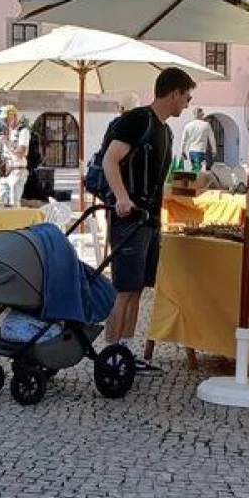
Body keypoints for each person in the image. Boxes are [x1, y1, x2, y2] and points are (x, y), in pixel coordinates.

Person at [101, 65, 196, 364]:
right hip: (129, 217)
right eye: (187, 97)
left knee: (138, 287)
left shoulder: (165, 131)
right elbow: (109, 160)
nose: (188, 103)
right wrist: (122, 198)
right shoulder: (137, 120)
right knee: (124, 288)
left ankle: (127, 351)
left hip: (150, 221)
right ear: (174, 93)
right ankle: (110, 355)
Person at [0, 106, 30, 208]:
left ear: (14, 117)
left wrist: (6, 142)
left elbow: (20, 153)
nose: (5, 121)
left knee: (13, 204)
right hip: (5, 172)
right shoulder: (6, 132)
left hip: (17, 171)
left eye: (7, 119)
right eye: (3, 119)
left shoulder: (23, 131)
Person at [179, 108, 216, 173]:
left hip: (191, 151)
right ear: (200, 114)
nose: (204, 114)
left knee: (195, 170)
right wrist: (214, 150)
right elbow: (212, 138)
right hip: (201, 151)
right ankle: (196, 182)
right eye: (202, 113)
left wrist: (182, 151)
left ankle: (194, 182)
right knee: (199, 172)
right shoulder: (206, 125)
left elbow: (183, 140)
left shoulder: (188, 125)